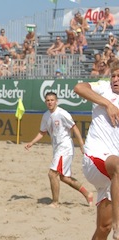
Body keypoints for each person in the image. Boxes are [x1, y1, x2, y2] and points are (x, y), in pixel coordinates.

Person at [74, 62, 119, 239]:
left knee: (103, 227)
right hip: (95, 158)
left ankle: (112, 225)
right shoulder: (103, 88)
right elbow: (79, 88)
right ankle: (118, 224)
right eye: (113, 76)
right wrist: (107, 104)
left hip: (112, 178)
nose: (115, 80)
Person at [25, 92, 93, 208]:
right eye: (48, 100)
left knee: (52, 174)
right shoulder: (46, 115)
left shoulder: (62, 113)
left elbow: (74, 127)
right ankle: (88, 194)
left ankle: (55, 202)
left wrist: (81, 144)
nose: (50, 102)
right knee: (64, 177)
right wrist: (32, 142)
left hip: (65, 147)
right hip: (57, 149)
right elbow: (42, 132)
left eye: (52, 100)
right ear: (45, 102)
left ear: (56, 101)